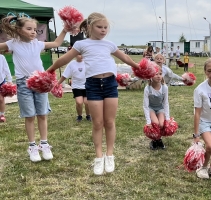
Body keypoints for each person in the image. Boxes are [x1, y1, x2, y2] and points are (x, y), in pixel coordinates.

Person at [46, 12, 140, 175]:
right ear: (89, 27)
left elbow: (124, 57)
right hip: (93, 85)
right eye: (99, 27)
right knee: (97, 123)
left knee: (109, 122)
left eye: (105, 27)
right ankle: (98, 157)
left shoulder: (109, 44)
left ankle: (109, 155)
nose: (103, 30)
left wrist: (138, 66)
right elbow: (64, 60)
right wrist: (49, 71)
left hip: (110, 84)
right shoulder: (82, 45)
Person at [0, 14, 67, 162]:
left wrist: (65, 30)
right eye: (29, 29)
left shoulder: (38, 44)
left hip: (40, 82)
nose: (33, 32)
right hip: (23, 83)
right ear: (19, 29)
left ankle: (44, 144)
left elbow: (56, 43)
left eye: (35, 30)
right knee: (29, 116)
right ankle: (32, 146)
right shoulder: (13, 44)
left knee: (42, 114)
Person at [56, 55, 90, 122]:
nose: (81, 56)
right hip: (76, 86)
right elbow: (65, 75)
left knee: (87, 102)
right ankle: (79, 116)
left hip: (87, 85)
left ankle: (88, 115)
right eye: (79, 54)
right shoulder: (72, 64)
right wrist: (58, 83)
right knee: (79, 102)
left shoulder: (88, 63)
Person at [143, 70, 170, 150]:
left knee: (161, 124)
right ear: (151, 76)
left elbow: (165, 103)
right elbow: (145, 105)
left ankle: (159, 139)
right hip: (151, 108)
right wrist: (148, 121)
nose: (158, 76)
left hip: (160, 108)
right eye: (156, 74)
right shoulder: (148, 88)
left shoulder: (164, 87)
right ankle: (154, 140)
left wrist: (167, 118)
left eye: (160, 74)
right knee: (155, 123)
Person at [0, 53, 12, 122]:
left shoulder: (1, 57)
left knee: (1, 99)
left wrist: (9, 80)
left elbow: (6, 68)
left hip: (1, 81)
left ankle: (2, 115)